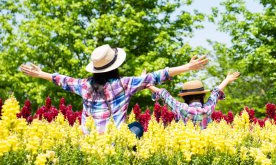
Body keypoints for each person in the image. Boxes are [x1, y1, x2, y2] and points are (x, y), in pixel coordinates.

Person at [20, 44, 208, 134]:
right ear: (115, 66)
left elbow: (60, 79)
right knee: (136, 127)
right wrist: (187, 67)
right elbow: (158, 75)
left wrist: (40, 73)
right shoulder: (124, 84)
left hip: (88, 139)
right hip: (113, 139)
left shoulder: (84, 85)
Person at [148, 71, 240, 129]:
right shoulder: (207, 109)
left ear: (185, 97)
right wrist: (227, 79)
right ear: (203, 96)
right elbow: (216, 92)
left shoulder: (180, 107)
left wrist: (146, 83)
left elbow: (164, 94)